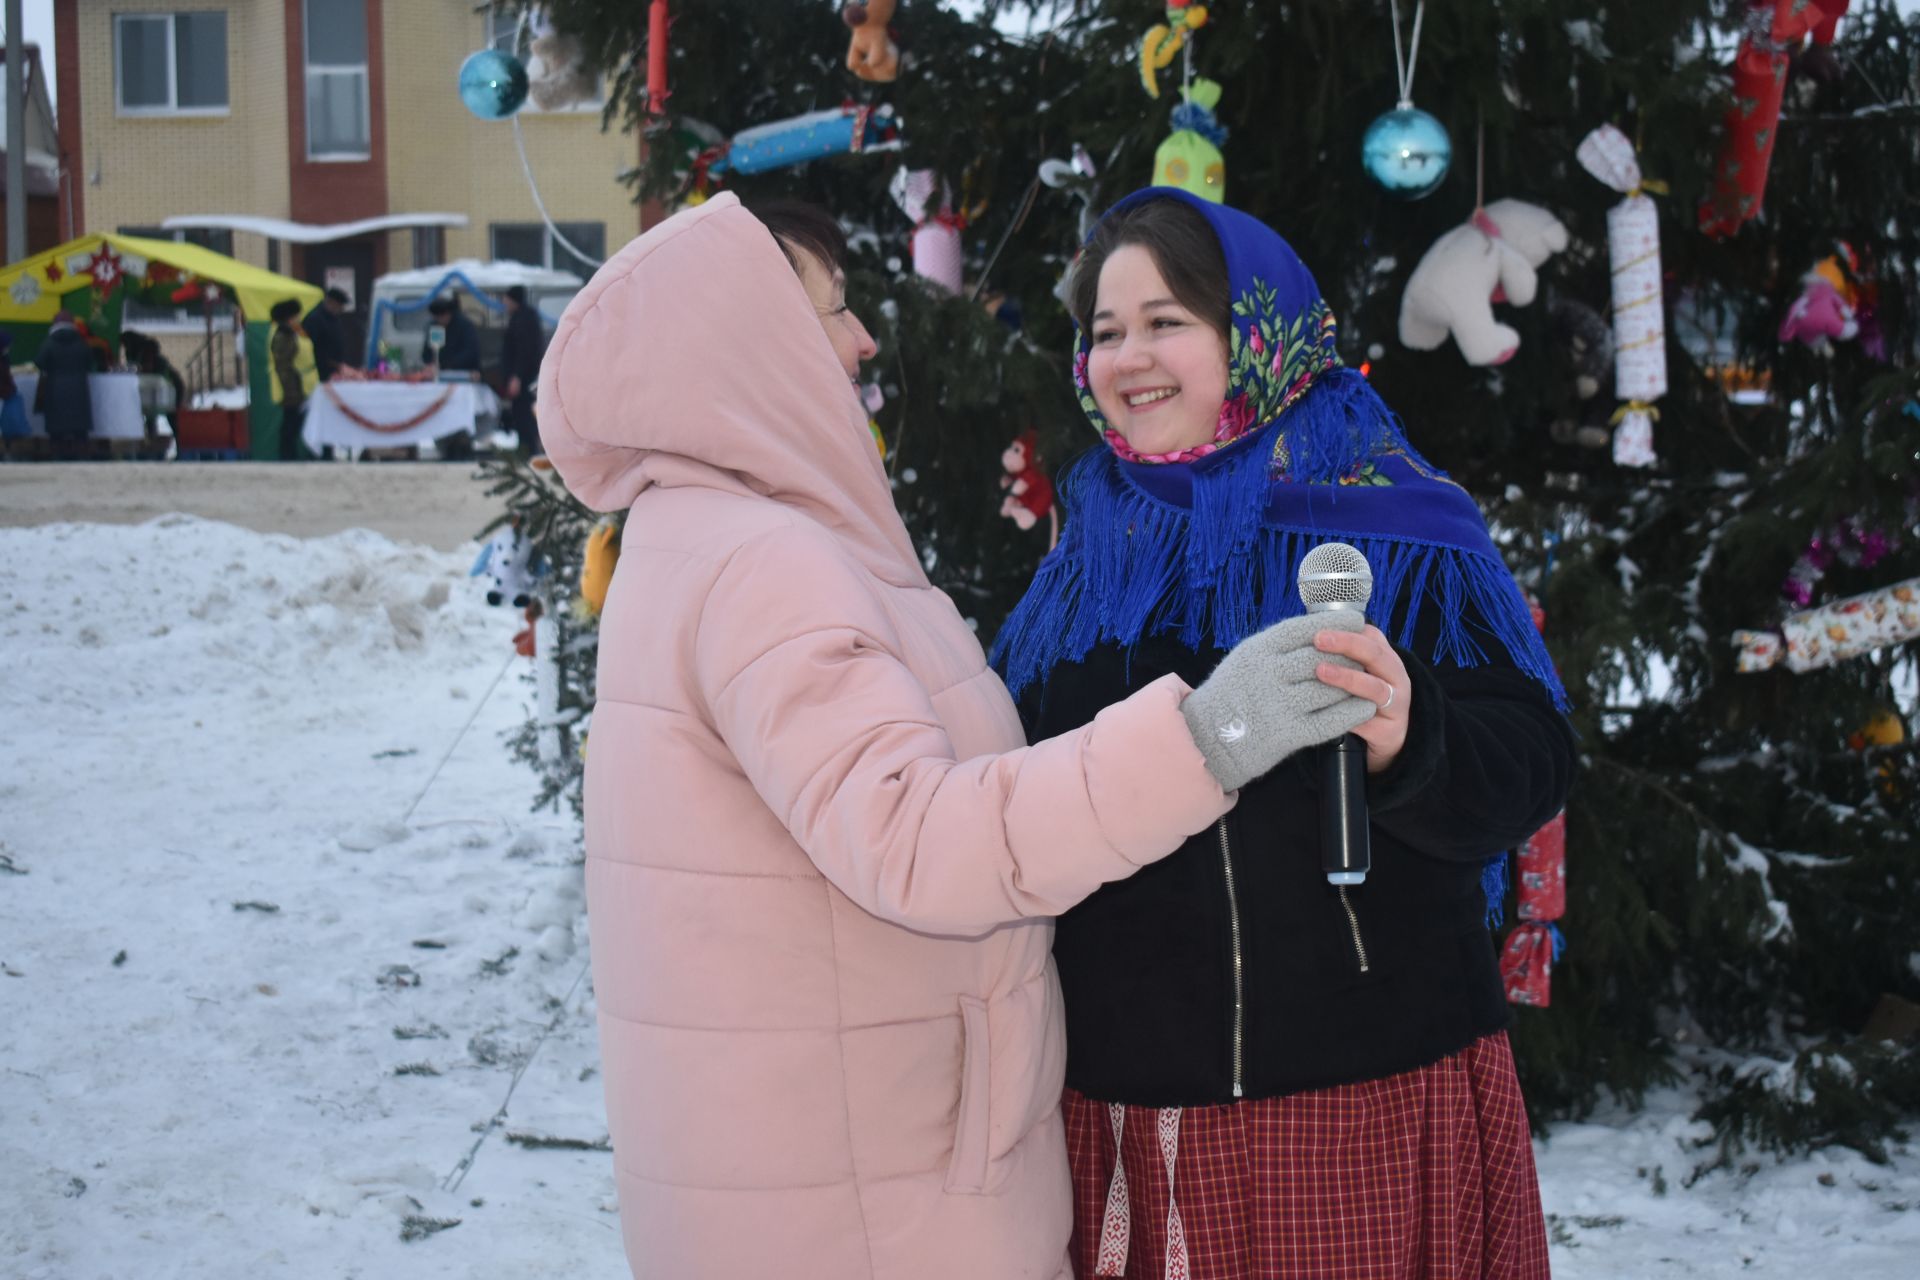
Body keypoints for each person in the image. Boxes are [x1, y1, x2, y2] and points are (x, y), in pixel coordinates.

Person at [535, 192, 1376, 1279]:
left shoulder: (694, 538)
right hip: (876, 1192)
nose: (862, 338)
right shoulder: (761, 564)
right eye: (828, 312)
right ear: (747, 348)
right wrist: (1215, 730)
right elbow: (916, 838)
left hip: (821, 1163)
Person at [990, 189, 1576, 1279]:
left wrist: (1418, 738)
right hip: (1138, 1109)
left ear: (1255, 330)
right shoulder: (1078, 572)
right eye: (1105, 331)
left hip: (1371, 1091)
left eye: (1166, 320)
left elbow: (1533, 762)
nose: (1129, 356)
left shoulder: (1399, 525)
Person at [421, 294, 481, 461]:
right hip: (440, 380)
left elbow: (471, 353)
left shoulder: (465, 327)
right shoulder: (434, 328)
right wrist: (432, 362)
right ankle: (446, 444)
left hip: (462, 378)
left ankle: (462, 444)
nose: (439, 320)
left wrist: (449, 364)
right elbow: (427, 352)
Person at [34, 311, 95, 460]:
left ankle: (58, 454)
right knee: (79, 426)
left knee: (57, 426)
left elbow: (39, 363)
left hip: (55, 388)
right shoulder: (81, 343)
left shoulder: (49, 343)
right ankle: (81, 453)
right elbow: (90, 363)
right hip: (79, 388)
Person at [495, 284, 546, 456]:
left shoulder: (524, 320)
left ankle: (528, 448)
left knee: (524, 412)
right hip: (525, 375)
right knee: (521, 412)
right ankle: (525, 446)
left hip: (525, 377)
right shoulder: (523, 317)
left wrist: (517, 376)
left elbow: (524, 351)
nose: (504, 302)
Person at [268, 298, 312, 461]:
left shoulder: (290, 333)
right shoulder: (283, 336)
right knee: (290, 425)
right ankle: (288, 456)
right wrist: (292, 391)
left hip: (296, 386)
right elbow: (284, 366)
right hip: (291, 389)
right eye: (296, 315)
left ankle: (290, 454)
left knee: (292, 423)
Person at [303, 287, 353, 382]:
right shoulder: (314, 319)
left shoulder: (333, 318)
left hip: (335, 371)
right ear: (331, 302)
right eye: (340, 305)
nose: (342, 309)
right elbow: (311, 347)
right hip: (320, 372)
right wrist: (332, 363)